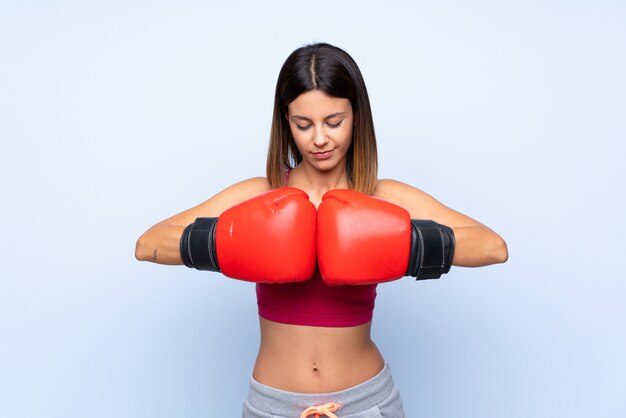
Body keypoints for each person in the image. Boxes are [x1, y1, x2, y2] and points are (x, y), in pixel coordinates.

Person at [135, 43, 508, 418]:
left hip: (367, 403)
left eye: (334, 122)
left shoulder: (382, 198)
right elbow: (147, 244)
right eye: (303, 124)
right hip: (272, 406)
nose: (319, 139)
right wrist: (227, 241)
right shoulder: (261, 196)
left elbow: (493, 247)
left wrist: (404, 244)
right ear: (286, 121)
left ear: (357, 116)